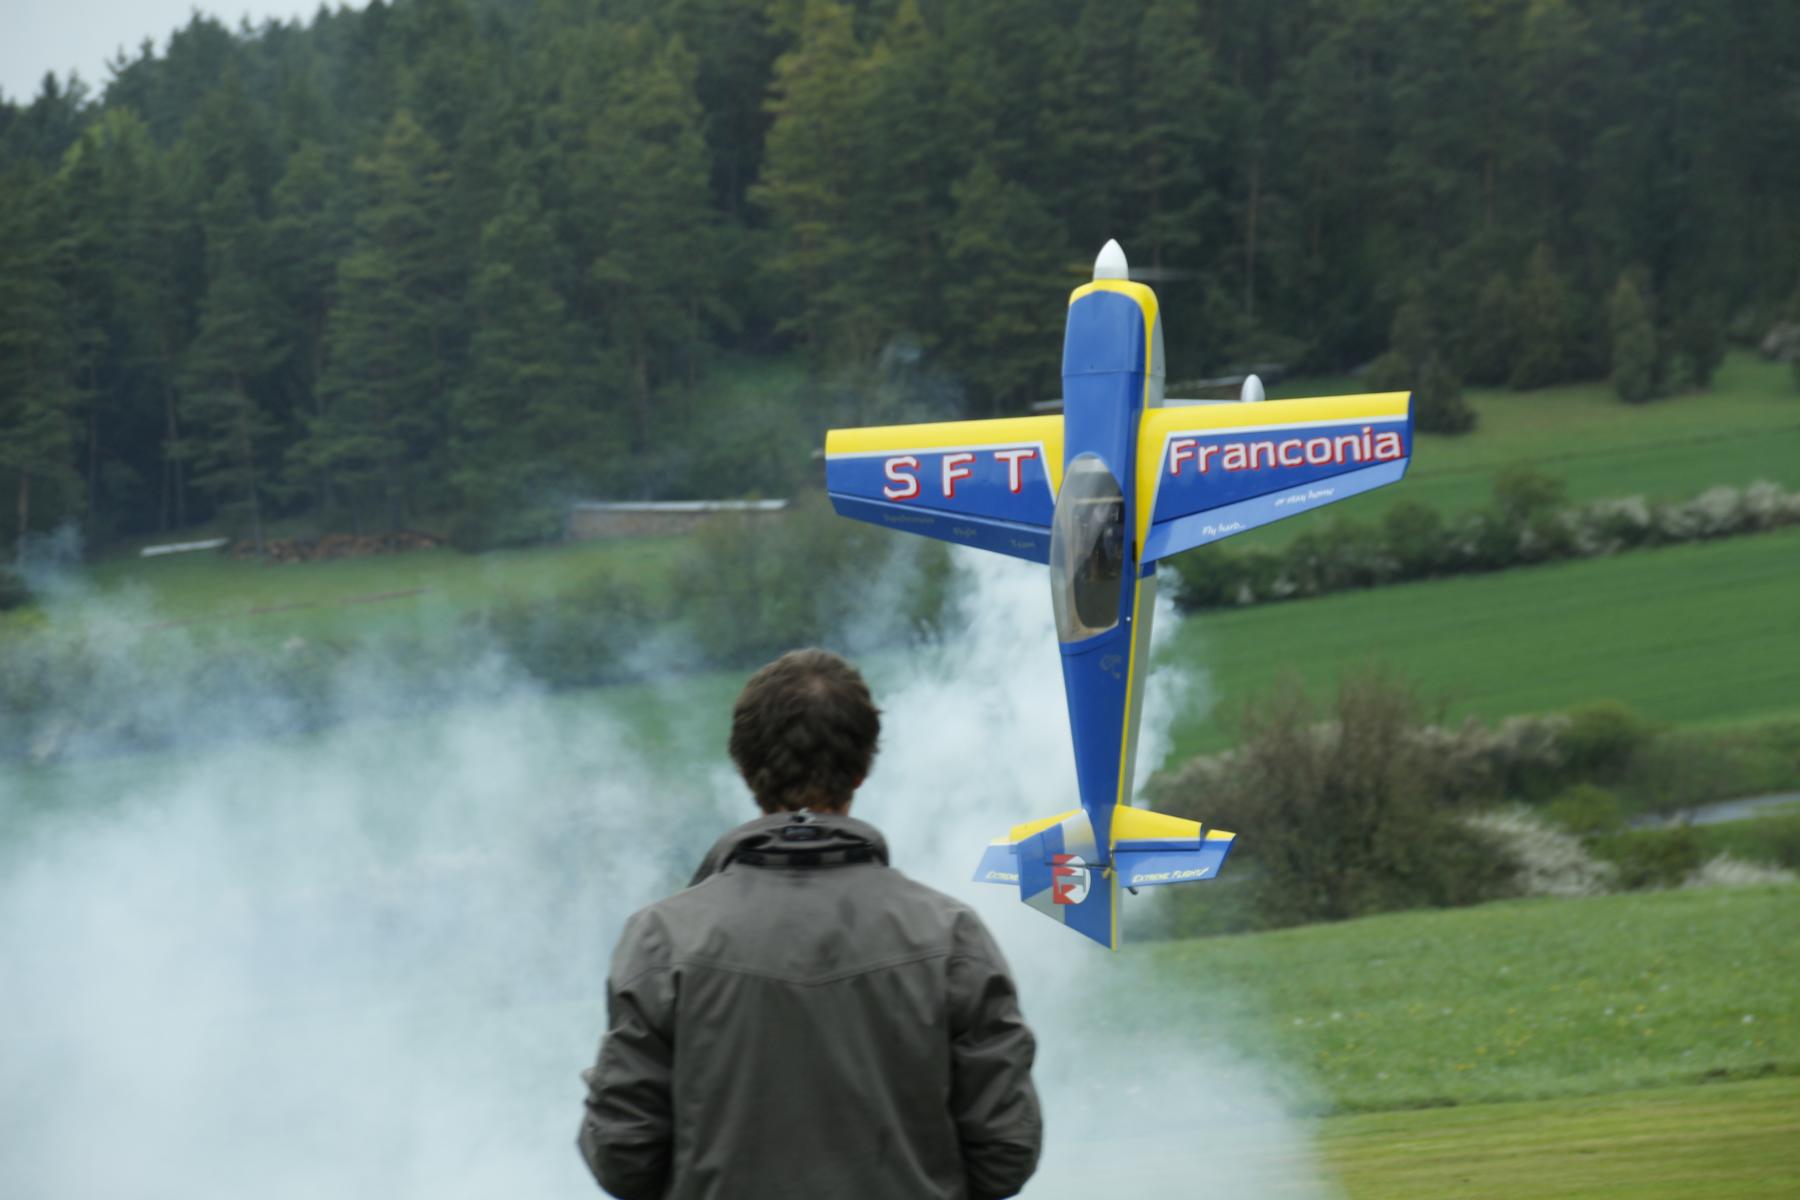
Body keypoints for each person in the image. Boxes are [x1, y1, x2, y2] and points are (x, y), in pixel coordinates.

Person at [578, 648, 1042, 1200]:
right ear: (863, 768)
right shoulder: (951, 936)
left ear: (744, 766)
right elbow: (1005, 1153)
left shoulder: (662, 939)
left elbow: (623, 1158)